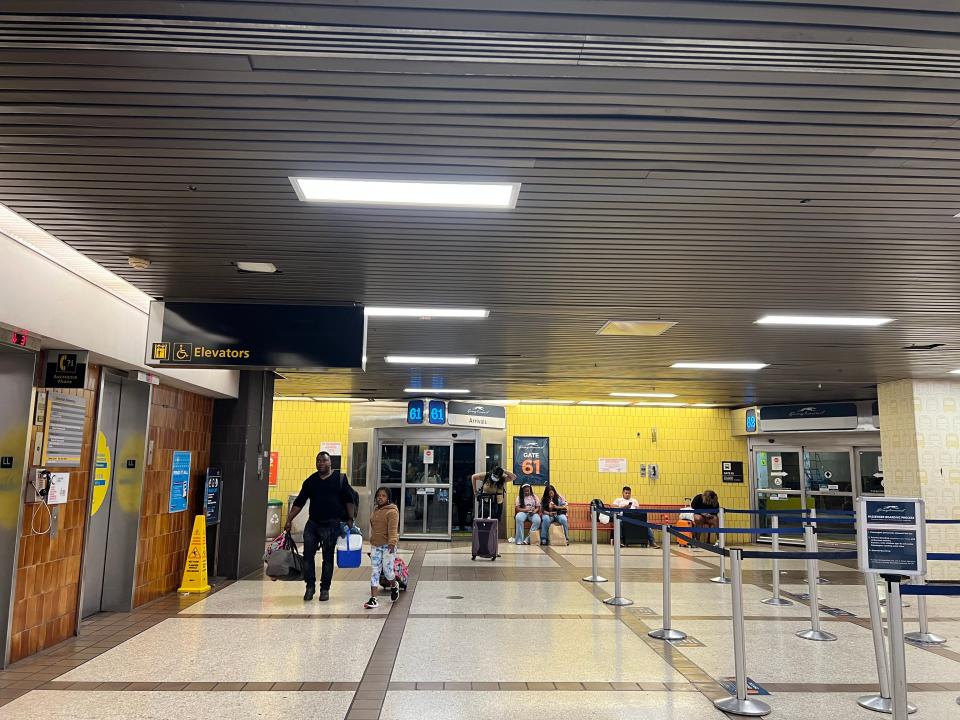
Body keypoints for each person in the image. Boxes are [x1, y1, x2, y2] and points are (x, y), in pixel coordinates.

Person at [285, 451, 356, 602]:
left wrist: (351, 518)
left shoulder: (339, 479)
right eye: (318, 461)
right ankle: (310, 586)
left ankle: (325, 589)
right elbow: (299, 502)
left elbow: (349, 500)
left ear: (330, 463)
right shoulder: (311, 481)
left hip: (332, 524)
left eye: (324, 460)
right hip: (313, 524)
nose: (320, 463)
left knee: (327, 558)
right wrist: (289, 519)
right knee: (308, 556)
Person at [364, 487, 400, 609]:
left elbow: (393, 529)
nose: (380, 497)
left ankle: (394, 586)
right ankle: (374, 598)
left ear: (388, 498)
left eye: (383, 495)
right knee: (375, 571)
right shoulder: (375, 510)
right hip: (376, 545)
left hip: (388, 546)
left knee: (388, 571)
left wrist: (392, 543)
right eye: (378, 495)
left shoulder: (392, 511)